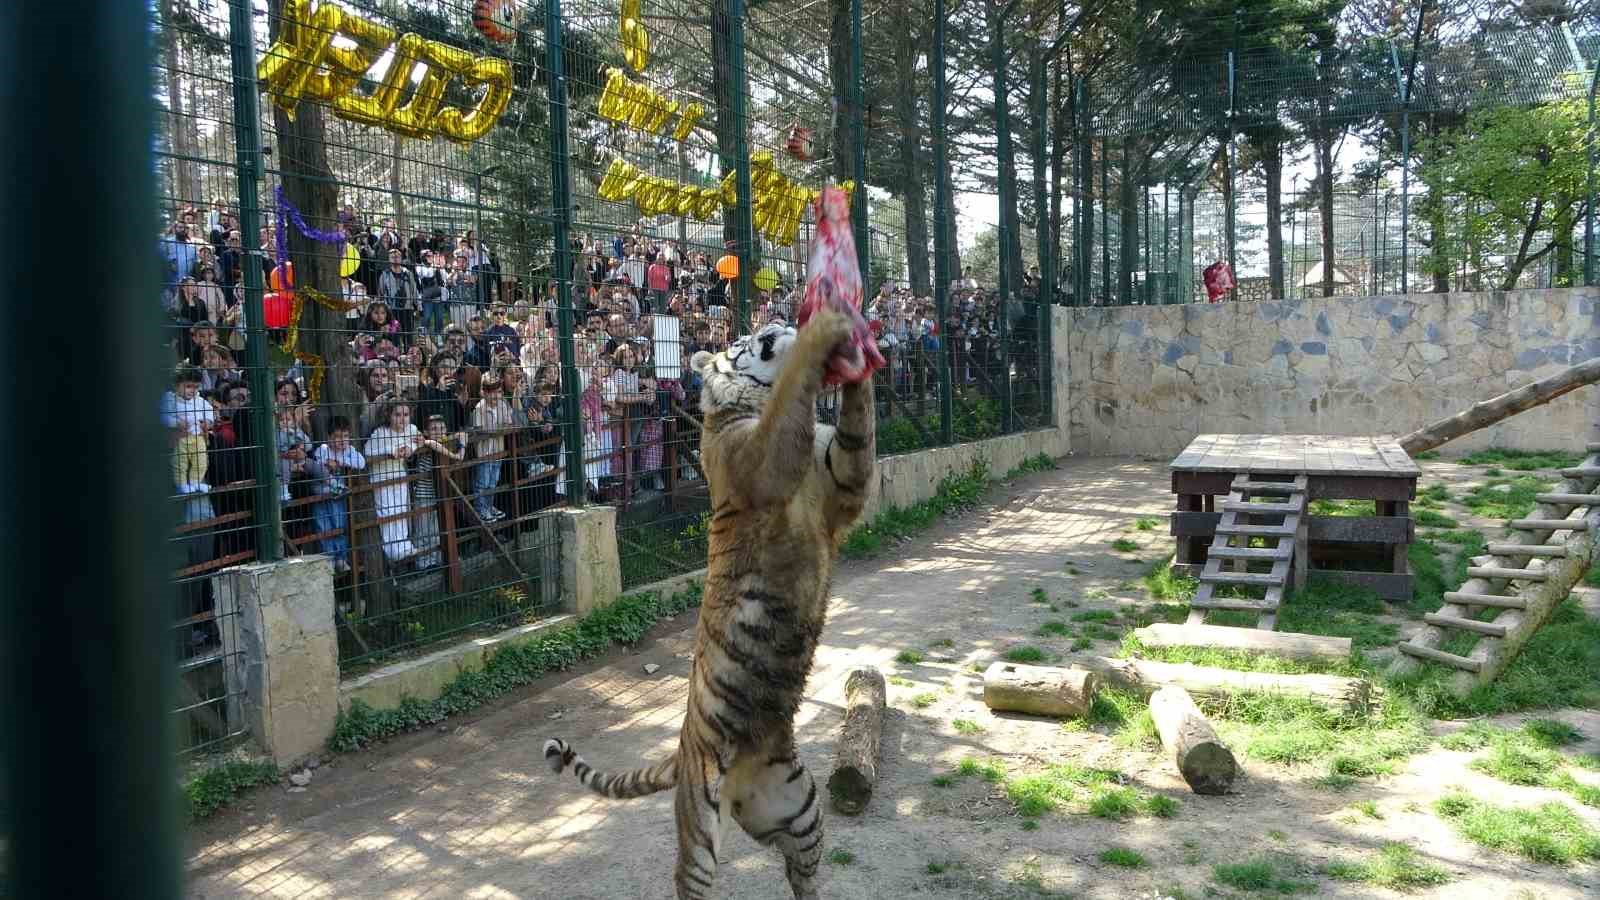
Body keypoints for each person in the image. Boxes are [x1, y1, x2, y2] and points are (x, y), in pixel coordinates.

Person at [365, 401, 422, 561]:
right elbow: (367, 451)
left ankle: (404, 545)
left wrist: (411, 447)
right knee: (387, 512)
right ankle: (392, 550)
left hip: (399, 474)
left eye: (405, 415)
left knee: (400, 510)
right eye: (397, 415)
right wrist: (390, 451)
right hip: (381, 477)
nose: (402, 419)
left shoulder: (411, 429)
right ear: (388, 416)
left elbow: (419, 440)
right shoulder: (380, 433)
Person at [309, 417, 366, 574]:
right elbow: (319, 464)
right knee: (323, 526)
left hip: (338, 496)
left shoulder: (350, 451)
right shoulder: (322, 450)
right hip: (322, 494)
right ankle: (329, 559)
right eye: (337, 436)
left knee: (340, 524)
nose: (342, 440)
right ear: (329, 437)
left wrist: (340, 462)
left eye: (345, 436)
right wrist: (329, 463)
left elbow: (361, 462)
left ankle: (341, 558)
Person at [412, 414, 464, 569]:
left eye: (442, 428)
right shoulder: (424, 446)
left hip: (438, 494)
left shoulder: (445, 444)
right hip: (423, 495)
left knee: (435, 530)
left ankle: (435, 559)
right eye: (433, 429)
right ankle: (422, 563)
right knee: (422, 531)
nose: (438, 432)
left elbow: (463, 434)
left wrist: (461, 443)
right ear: (425, 432)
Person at [162, 366, 215, 495]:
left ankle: (195, 482)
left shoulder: (199, 400)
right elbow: (162, 416)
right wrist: (176, 422)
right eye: (189, 386)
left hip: (197, 437)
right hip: (180, 438)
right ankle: (181, 484)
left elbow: (209, 411)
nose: (193, 390)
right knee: (180, 463)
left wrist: (207, 422)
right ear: (176, 385)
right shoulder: (170, 399)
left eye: (196, 387)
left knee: (201, 461)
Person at [470, 375, 513, 522]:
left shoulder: (503, 404)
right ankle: (481, 509)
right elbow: (481, 430)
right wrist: (498, 430)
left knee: (493, 482)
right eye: (492, 392)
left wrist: (496, 430)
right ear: (485, 393)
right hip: (484, 453)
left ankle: (489, 507)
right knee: (483, 483)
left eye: (499, 392)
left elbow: (509, 423)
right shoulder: (479, 408)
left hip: (498, 451)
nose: (496, 395)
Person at [378, 249, 419, 339]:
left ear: (401, 258)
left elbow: (414, 290)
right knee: (393, 336)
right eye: (392, 257)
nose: (395, 259)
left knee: (408, 337)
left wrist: (418, 307)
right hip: (391, 309)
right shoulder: (385, 274)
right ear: (389, 259)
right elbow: (381, 292)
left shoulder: (408, 273)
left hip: (407, 309)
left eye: (397, 257)